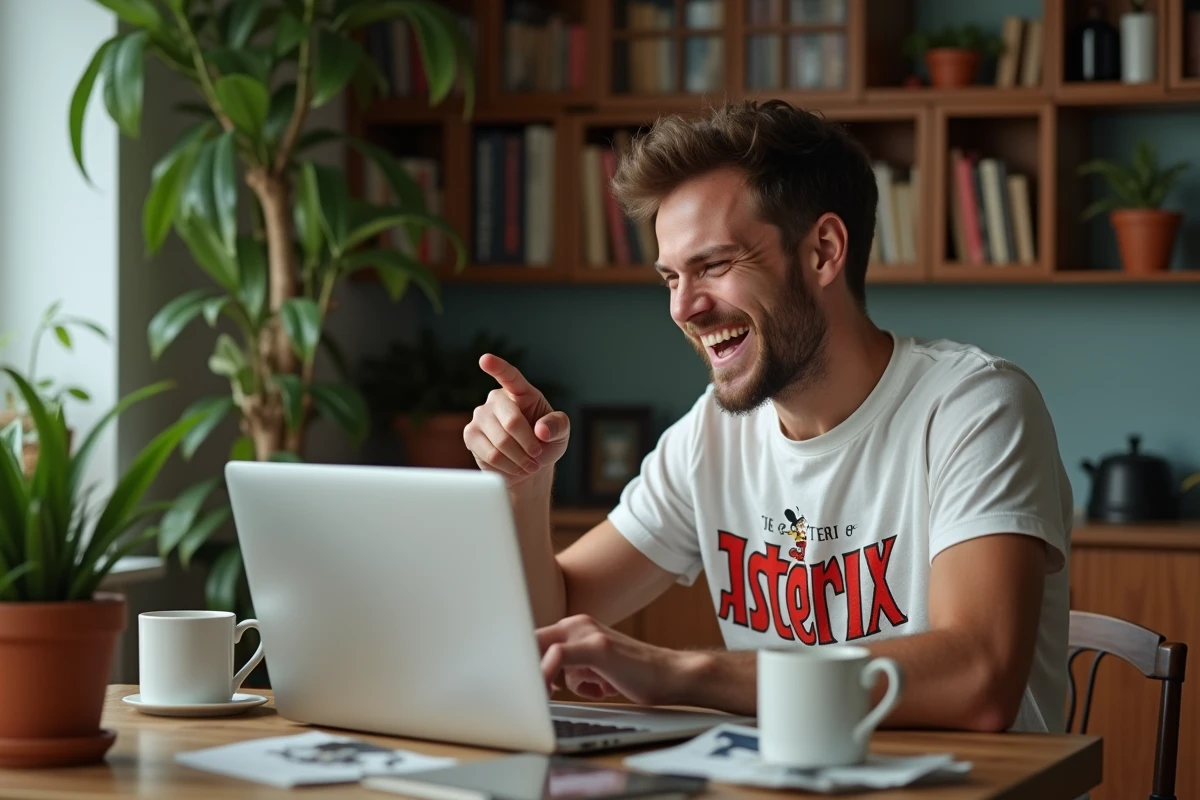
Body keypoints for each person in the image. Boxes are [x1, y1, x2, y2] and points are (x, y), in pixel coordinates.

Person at [462, 100, 1072, 733]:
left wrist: (681, 673)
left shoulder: (972, 409)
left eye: (715, 265)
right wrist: (523, 488)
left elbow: (977, 679)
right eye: (671, 276)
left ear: (823, 251)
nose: (684, 308)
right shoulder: (711, 436)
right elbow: (551, 627)